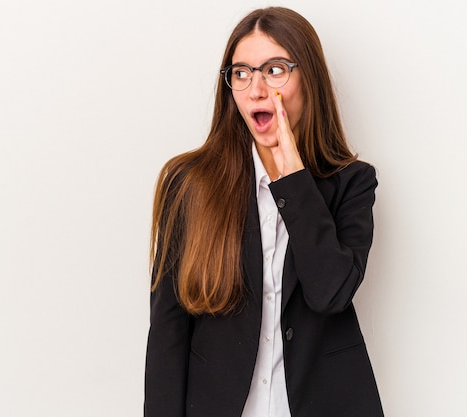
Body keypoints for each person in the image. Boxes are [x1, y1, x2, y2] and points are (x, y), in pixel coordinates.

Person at [144, 7, 384, 417]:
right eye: (241, 73)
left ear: (309, 78)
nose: (256, 89)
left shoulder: (352, 183)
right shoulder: (189, 184)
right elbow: (168, 332)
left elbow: (331, 293)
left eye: (274, 70)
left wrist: (292, 179)